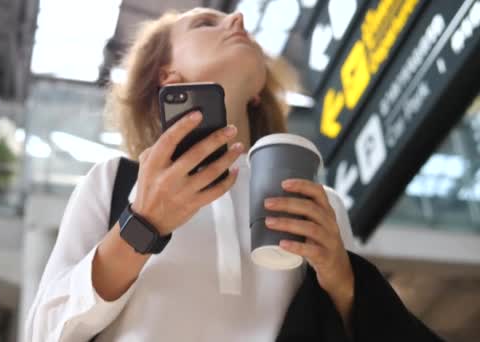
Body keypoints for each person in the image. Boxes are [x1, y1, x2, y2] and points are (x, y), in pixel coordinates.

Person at [25, 8, 443, 342]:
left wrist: (342, 279)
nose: (239, 19)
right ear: (168, 78)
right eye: (206, 23)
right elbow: (46, 332)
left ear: (257, 90)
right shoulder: (113, 180)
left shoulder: (318, 199)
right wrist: (142, 224)